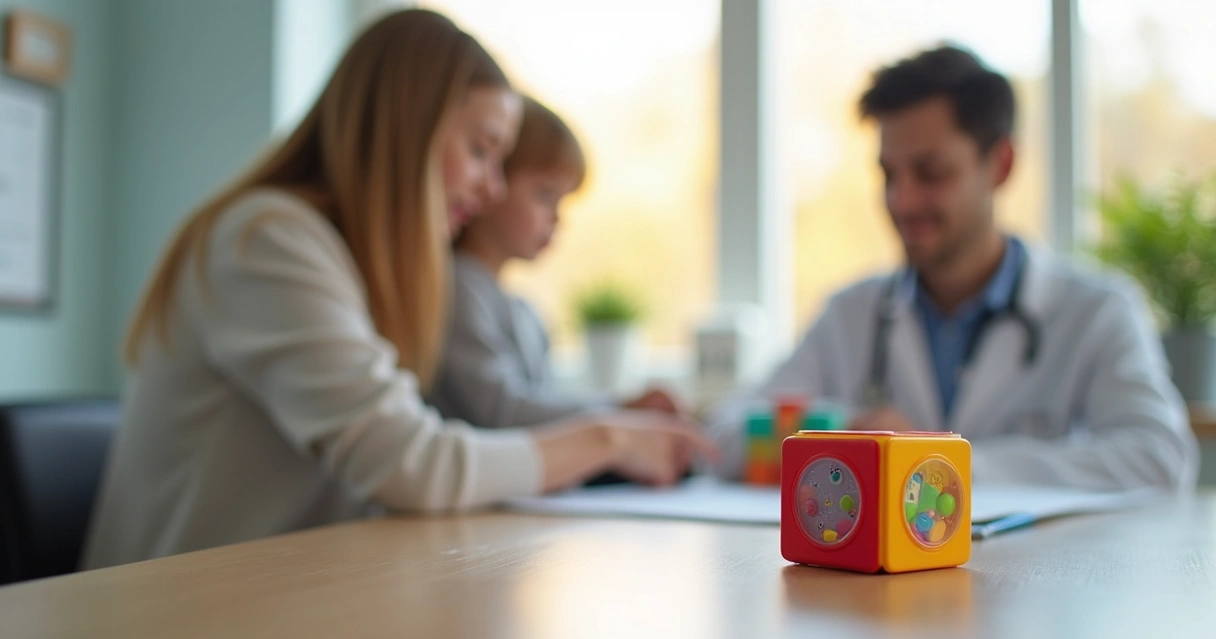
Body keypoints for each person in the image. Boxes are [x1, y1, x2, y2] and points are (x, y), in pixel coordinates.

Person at [83, 9, 713, 570]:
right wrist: (609, 436)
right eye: (479, 150)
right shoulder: (266, 240)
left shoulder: (351, 267)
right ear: (406, 132)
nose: (493, 188)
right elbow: (409, 462)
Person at [708, 46, 1197, 491]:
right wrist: (846, 432)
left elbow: (1158, 456)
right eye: (888, 174)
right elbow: (728, 431)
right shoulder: (852, 313)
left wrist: (939, 462)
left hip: (1039, 583)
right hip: (877, 589)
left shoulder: (1097, 311)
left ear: (1000, 164)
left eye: (930, 172)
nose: (901, 200)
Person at [431, 96, 682, 430]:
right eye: (545, 196)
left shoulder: (524, 312)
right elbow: (502, 411)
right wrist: (619, 411)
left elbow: (542, 406)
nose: (557, 219)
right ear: (492, 182)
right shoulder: (460, 289)